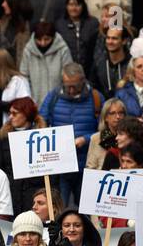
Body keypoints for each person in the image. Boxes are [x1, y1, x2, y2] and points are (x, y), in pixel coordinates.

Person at [43, 63, 105, 204]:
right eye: (67, 85)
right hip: (61, 164)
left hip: (87, 162)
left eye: (75, 86)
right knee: (60, 206)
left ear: (83, 81)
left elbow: (106, 130)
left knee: (85, 207)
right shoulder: (54, 96)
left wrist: (86, 139)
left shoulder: (96, 98)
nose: (70, 90)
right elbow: (41, 120)